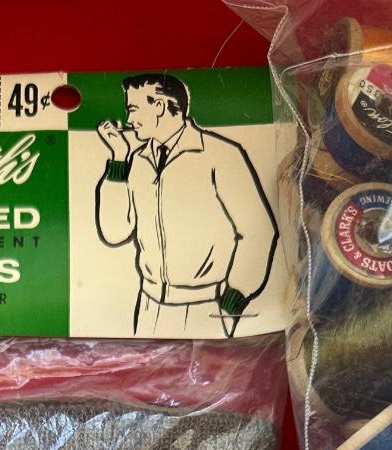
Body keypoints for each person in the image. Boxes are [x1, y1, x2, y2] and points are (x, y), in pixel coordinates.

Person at [96, 72, 278, 337]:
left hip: (206, 307)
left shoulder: (221, 153)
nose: (129, 120)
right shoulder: (137, 160)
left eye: (133, 109)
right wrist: (118, 158)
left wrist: (235, 300)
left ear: (160, 106)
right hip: (148, 306)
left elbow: (259, 230)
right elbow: (115, 233)